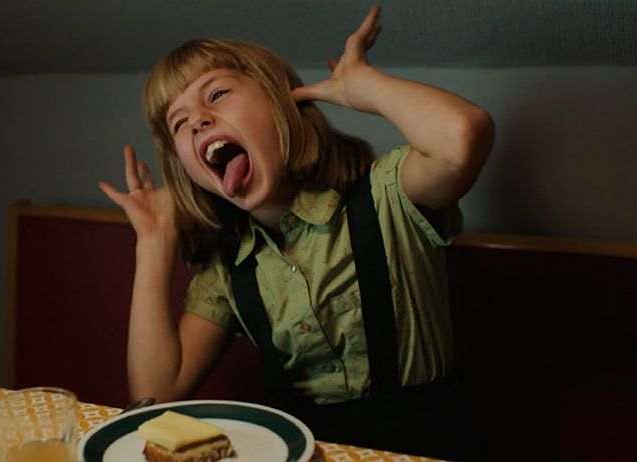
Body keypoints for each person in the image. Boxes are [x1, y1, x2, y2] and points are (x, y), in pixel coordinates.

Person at [99, 5, 493, 459]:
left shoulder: (385, 197)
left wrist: (365, 87)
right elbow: (156, 394)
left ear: (282, 101)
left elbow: (463, 137)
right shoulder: (231, 266)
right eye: (179, 124)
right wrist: (153, 242)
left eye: (217, 94)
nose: (198, 121)